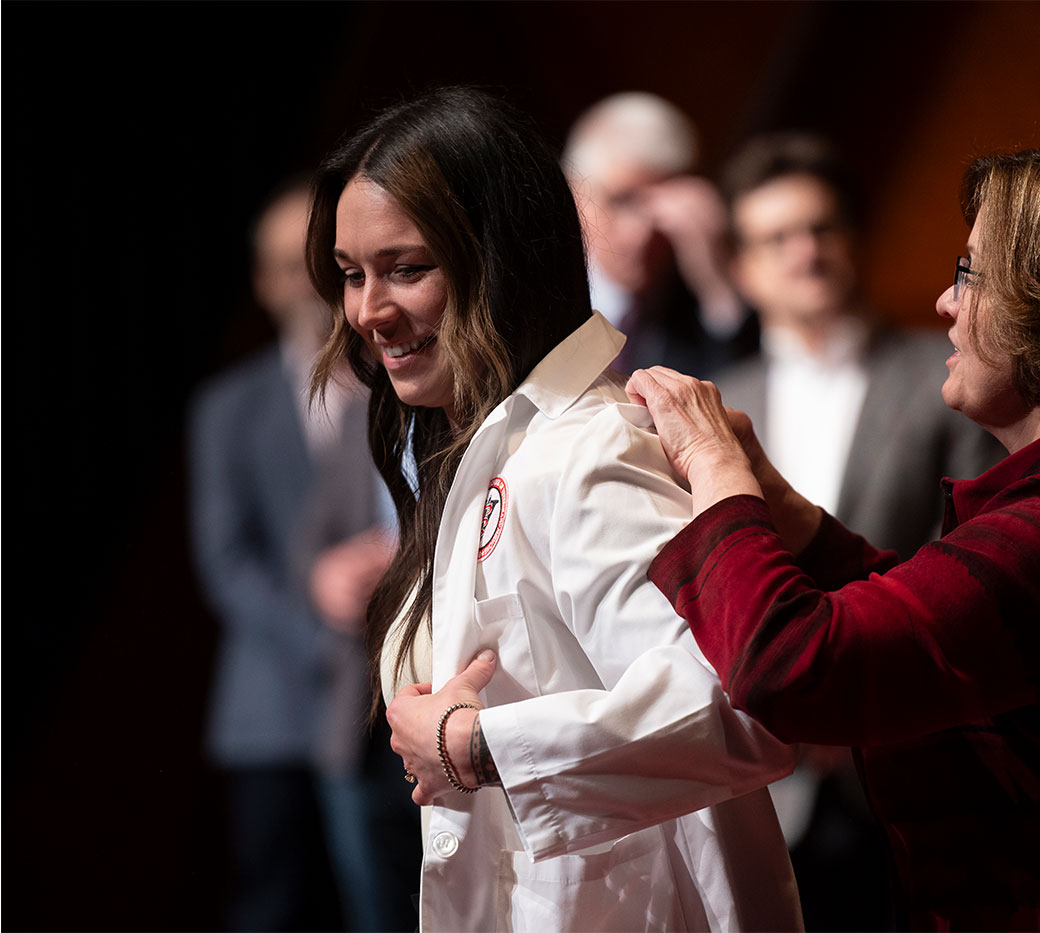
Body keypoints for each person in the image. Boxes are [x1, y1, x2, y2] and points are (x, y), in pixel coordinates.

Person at [628, 139, 1040, 929]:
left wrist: (712, 464)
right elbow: (953, 618)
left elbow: (792, 665)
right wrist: (786, 510)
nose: (947, 304)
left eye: (970, 274)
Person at [305, 86, 799, 932]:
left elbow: (738, 706)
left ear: (501, 258)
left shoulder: (587, 448)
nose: (367, 311)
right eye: (352, 275)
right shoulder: (490, 446)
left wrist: (475, 744)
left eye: (407, 268)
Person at [713, 131, 1002, 930]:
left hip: (895, 752)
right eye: (777, 238)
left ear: (854, 237)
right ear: (742, 267)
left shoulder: (943, 373)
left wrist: (860, 694)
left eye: (821, 227)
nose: (805, 251)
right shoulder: (716, 396)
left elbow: (964, 553)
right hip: (745, 764)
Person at [189, 180, 418, 931]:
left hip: (383, 701)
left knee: (382, 900)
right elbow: (228, 560)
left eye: (318, 263)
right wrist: (319, 630)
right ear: (261, 281)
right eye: (285, 266)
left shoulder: (396, 381)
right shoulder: (228, 407)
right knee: (274, 903)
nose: (304, 282)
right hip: (276, 699)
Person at [564, 91, 756, 376]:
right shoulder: (536, 299)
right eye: (621, 200)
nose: (642, 231)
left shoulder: (702, 312)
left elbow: (746, 391)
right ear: (574, 193)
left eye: (664, 206)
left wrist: (717, 285)